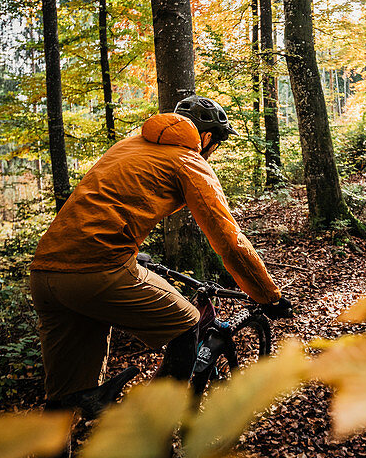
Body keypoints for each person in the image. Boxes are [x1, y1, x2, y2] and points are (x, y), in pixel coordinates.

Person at [29, 94, 292, 411]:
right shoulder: (188, 161)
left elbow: (99, 205)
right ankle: (152, 437)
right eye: (216, 144)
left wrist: (131, 251)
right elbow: (228, 240)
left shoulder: (128, 146)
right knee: (188, 324)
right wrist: (268, 295)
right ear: (206, 137)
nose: (213, 151)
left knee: (64, 397)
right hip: (97, 271)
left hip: (45, 273)